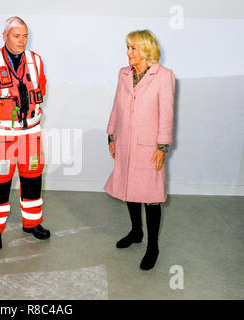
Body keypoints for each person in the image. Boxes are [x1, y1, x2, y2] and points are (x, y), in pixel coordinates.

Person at [0, 17, 50, 251]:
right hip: (2, 136)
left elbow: (41, 88)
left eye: (25, 36)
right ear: (4, 36)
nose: (22, 41)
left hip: (31, 134)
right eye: (17, 36)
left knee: (33, 180)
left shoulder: (36, 61)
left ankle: (32, 223)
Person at [104, 29, 175, 270]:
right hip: (124, 142)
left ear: (145, 50)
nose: (128, 52)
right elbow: (117, 106)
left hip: (149, 146)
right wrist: (111, 135)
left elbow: (166, 113)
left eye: (133, 48)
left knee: (151, 197)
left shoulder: (164, 76)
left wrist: (162, 146)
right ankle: (136, 232)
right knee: (128, 188)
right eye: (127, 47)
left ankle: (152, 245)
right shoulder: (123, 74)